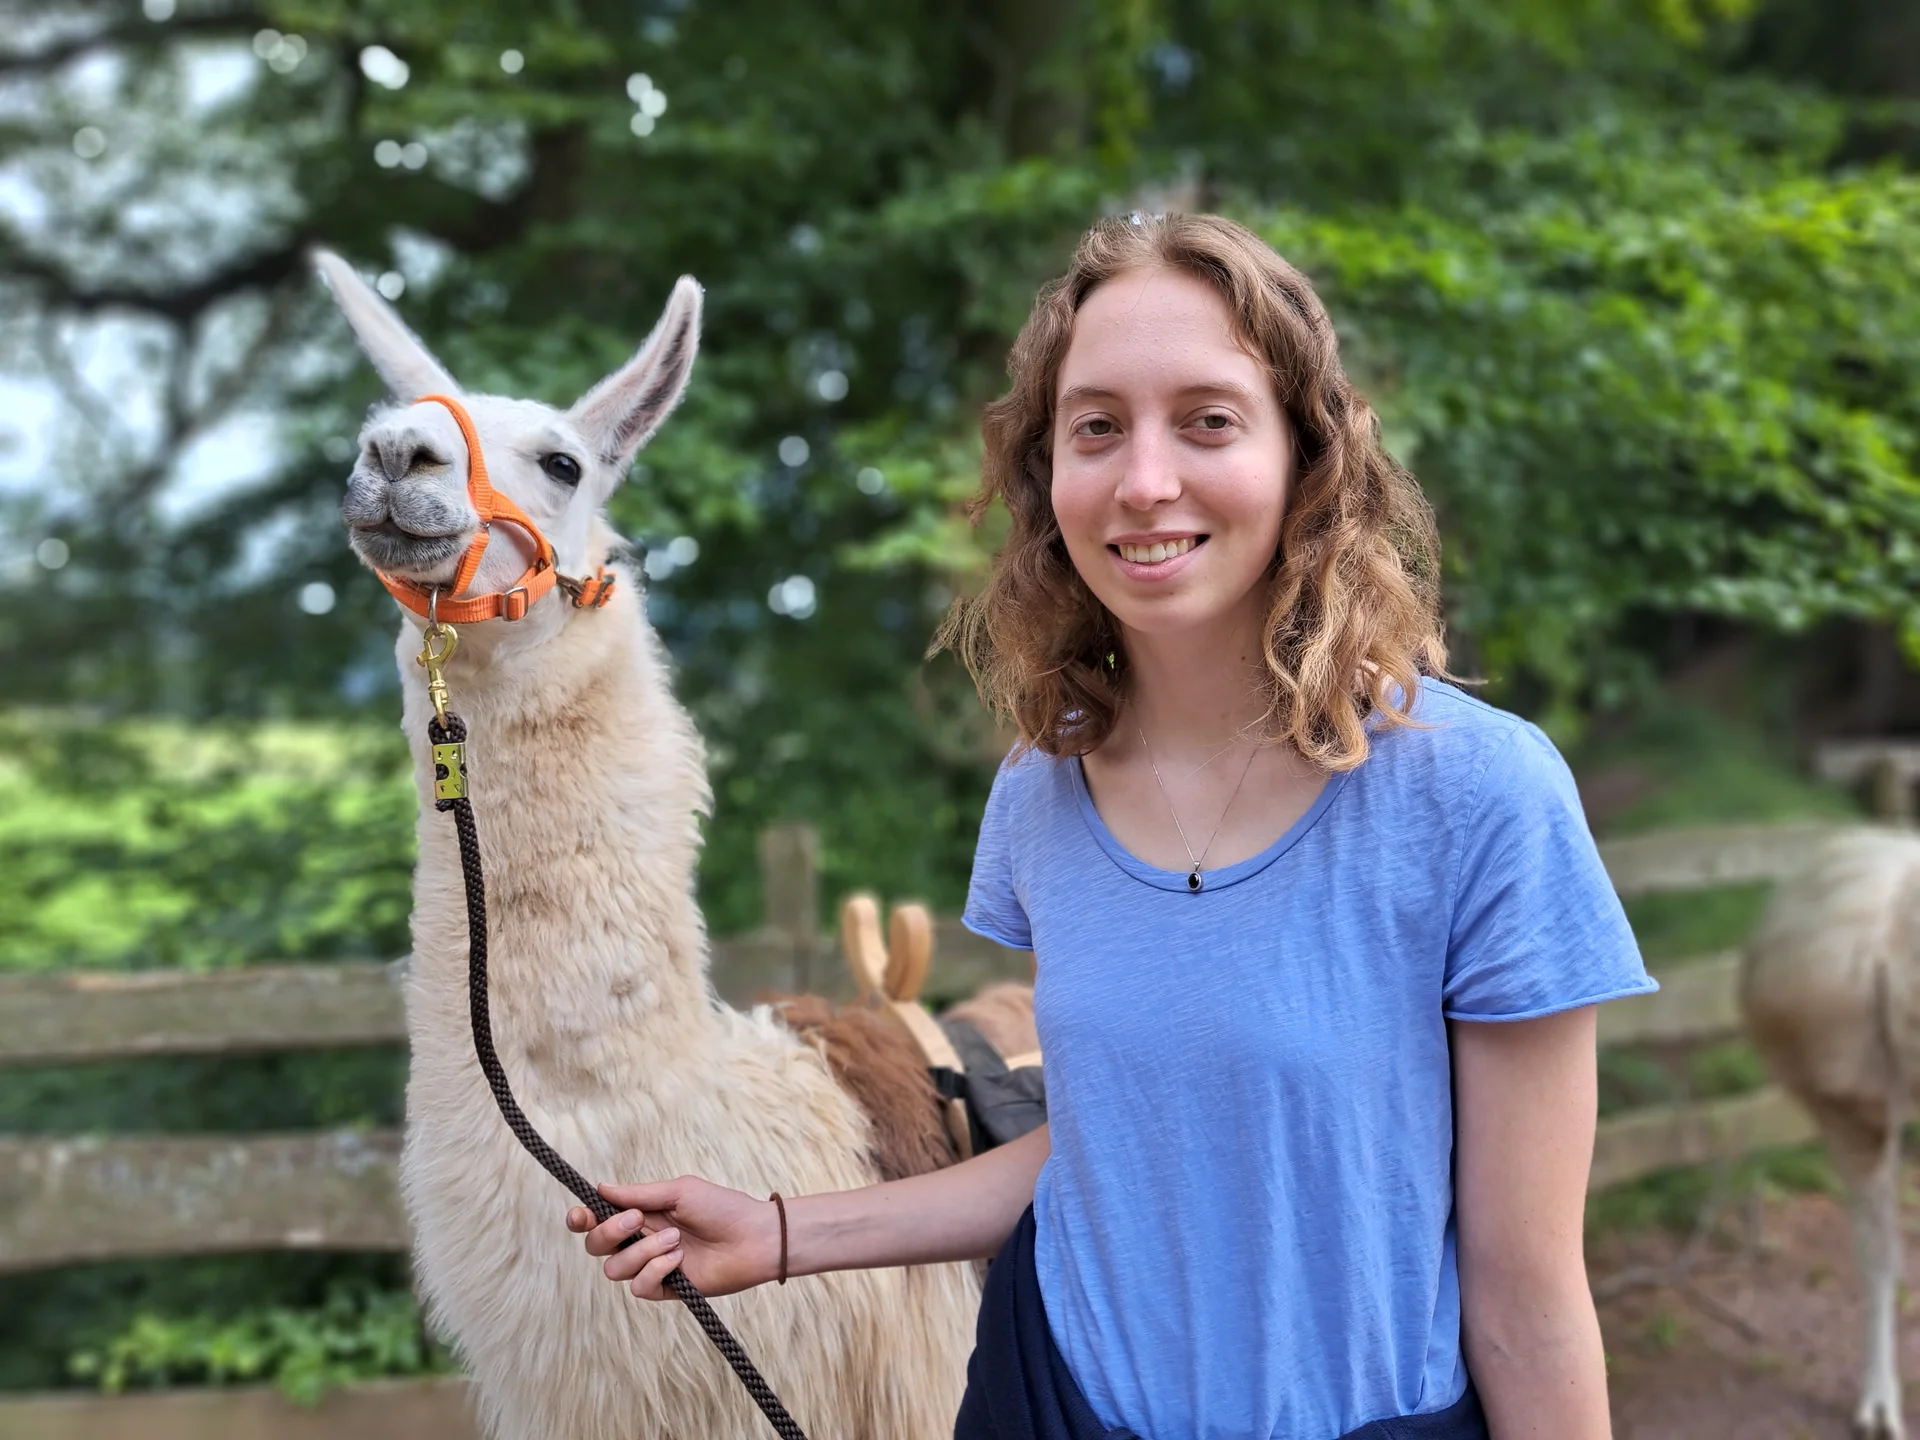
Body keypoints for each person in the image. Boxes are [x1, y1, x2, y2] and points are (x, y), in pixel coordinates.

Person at [567, 213, 1651, 1440]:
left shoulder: (1479, 797)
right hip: (1053, 1405)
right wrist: (776, 1231)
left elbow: (1528, 1294)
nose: (1144, 480)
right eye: (1097, 428)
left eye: (1208, 420)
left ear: (1309, 453)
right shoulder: (1042, 789)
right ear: (1048, 477)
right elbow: (1112, 1150)